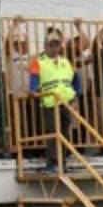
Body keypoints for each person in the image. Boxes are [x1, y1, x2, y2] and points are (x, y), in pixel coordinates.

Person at [30, 31, 76, 172]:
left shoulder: (65, 62)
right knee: (53, 133)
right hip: (50, 103)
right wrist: (34, 90)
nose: (54, 48)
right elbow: (33, 83)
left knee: (64, 133)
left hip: (66, 102)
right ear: (45, 46)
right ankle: (52, 163)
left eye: (56, 45)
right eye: (51, 45)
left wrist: (74, 97)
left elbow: (74, 80)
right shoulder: (38, 62)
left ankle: (62, 163)